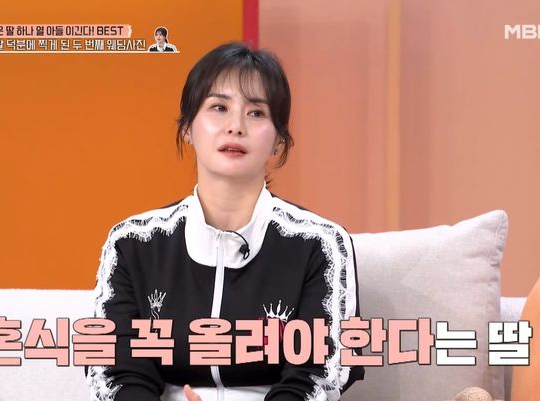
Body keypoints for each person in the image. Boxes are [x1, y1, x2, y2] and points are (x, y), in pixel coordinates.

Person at [87, 42, 364, 401]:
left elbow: (320, 373)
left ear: (279, 141)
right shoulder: (133, 244)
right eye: (219, 107)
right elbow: (115, 369)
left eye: (256, 113)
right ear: (187, 128)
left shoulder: (319, 244)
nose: (235, 127)